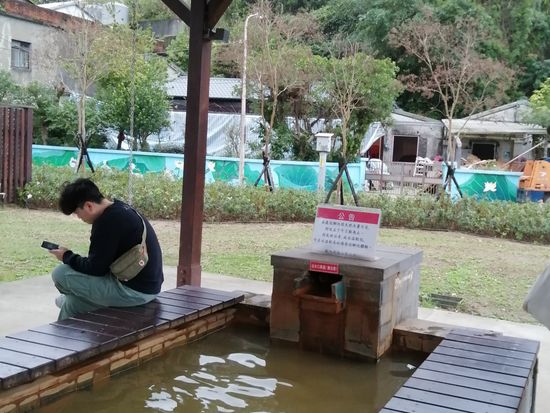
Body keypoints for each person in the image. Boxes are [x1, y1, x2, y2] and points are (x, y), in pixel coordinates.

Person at [48, 178, 164, 320]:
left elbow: (95, 269)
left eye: (77, 213)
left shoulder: (107, 221)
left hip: (133, 292)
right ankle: (71, 305)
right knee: (72, 304)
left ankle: (75, 298)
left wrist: (66, 256)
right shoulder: (121, 208)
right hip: (149, 288)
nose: (79, 218)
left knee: (60, 273)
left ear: (89, 206)